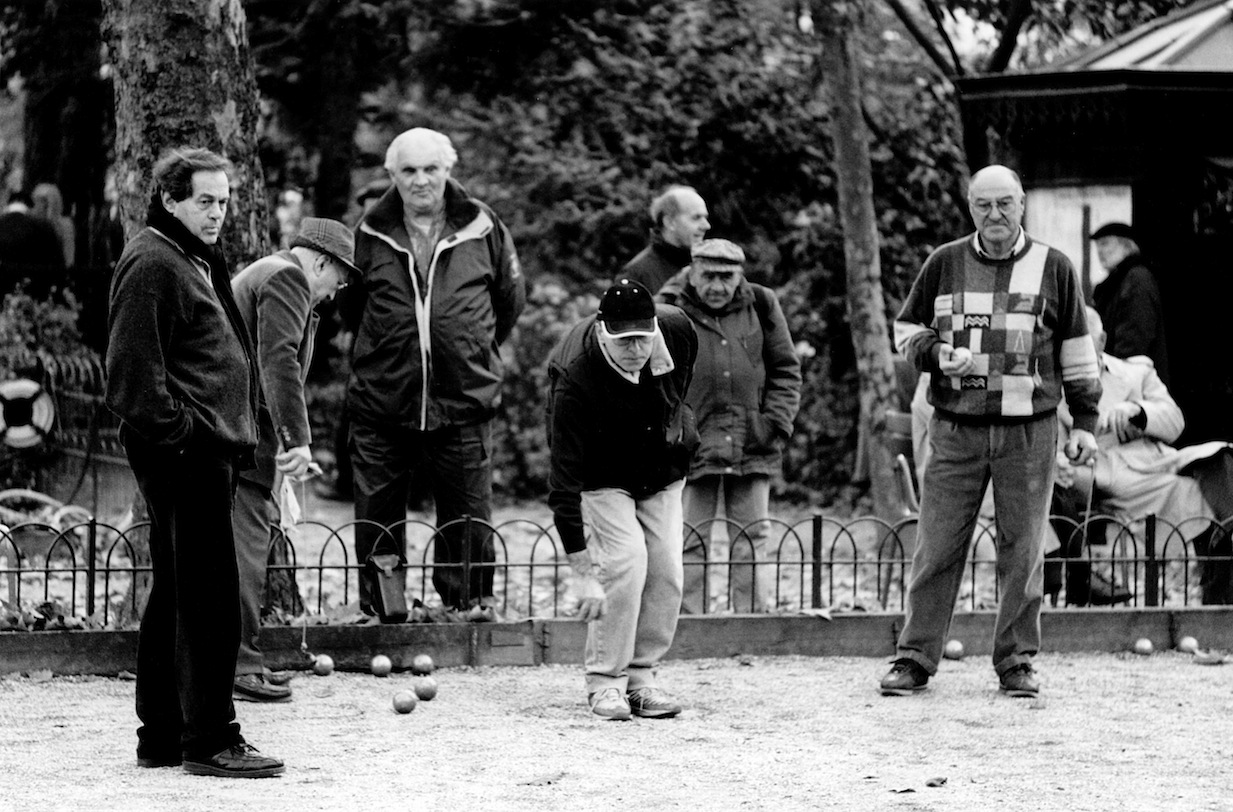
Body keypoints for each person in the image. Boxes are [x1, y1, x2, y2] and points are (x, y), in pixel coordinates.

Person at [881, 164, 1101, 699]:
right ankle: (914, 657)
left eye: (1005, 203)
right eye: (984, 205)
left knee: (1024, 550)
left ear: (1022, 203)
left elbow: (1076, 350)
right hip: (956, 428)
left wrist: (1087, 422)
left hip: (1031, 432)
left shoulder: (1055, 267)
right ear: (970, 207)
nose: (995, 214)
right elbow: (906, 332)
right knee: (936, 546)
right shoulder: (944, 262)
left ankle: (1016, 661)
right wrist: (936, 356)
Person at [105, 147, 283, 777]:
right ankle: (210, 739)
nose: (217, 213)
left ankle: (162, 735)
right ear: (171, 198)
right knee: (208, 596)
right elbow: (129, 378)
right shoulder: (153, 260)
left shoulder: (189, 256)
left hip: (204, 449)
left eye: (225, 201)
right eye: (205, 200)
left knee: (179, 591)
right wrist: (190, 434)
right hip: (185, 453)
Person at [342, 127, 526, 620]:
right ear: (392, 176)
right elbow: (351, 308)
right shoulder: (368, 232)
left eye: (430, 169)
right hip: (384, 398)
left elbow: (508, 302)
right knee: (377, 513)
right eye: (409, 171)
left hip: (464, 396)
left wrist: (467, 348)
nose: (421, 180)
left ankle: (468, 606)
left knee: (468, 511)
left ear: (448, 170)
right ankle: (384, 610)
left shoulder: (484, 226)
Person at [547, 278, 699, 720]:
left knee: (667, 566)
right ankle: (605, 683)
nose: (635, 348)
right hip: (602, 473)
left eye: (642, 337)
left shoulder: (678, 333)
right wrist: (582, 572)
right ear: (602, 332)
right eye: (623, 339)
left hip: (662, 467)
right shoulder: (573, 380)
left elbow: (677, 395)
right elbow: (562, 483)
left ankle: (642, 678)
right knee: (626, 562)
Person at [229, 217, 359, 703]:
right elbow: (277, 360)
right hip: (243, 443)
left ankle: (236, 662)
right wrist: (296, 440)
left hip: (239, 439)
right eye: (338, 279)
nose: (335, 291)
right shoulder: (288, 278)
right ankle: (238, 667)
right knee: (242, 557)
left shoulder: (270, 271)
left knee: (238, 553)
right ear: (322, 261)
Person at [656, 238, 800, 613]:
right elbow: (652, 375)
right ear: (692, 272)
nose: (718, 286)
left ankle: (750, 622)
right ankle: (688, 622)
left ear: (741, 276)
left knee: (751, 537)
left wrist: (775, 423)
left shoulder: (762, 304)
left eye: (727, 277)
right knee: (689, 537)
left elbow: (786, 369)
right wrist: (671, 430)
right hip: (691, 443)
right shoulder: (669, 306)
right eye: (709, 276)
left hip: (751, 439)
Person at [1054, 307, 1233, 605]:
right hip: (1113, 476)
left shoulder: (1136, 372)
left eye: (1087, 340)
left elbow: (1175, 423)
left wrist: (1138, 412)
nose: (1080, 349)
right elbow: (1055, 454)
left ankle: (1228, 543)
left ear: (1102, 341)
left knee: (1222, 457)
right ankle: (1220, 598)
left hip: (1161, 460)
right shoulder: (1054, 388)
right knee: (1202, 499)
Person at [1090, 222, 1169, 383]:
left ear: (1126, 246)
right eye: (1098, 246)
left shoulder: (1136, 279)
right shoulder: (1117, 281)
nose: (1100, 251)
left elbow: (1133, 341)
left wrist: (1117, 378)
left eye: (1105, 244)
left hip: (1134, 384)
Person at [620, 186, 710, 294]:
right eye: (696, 217)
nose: (706, 226)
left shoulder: (709, 266)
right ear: (670, 222)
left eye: (705, 218)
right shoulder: (636, 276)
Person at [0, 191, 66, 300]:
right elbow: (58, 267)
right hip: (34, 296)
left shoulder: (3, 225)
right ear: (31, 207)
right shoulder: (44, 227)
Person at [30, 182, 76, 269]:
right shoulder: (30, 223)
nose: (40, 205)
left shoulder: (65, 225)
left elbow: (68, 256)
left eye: (44, 200)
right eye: (37, 200)